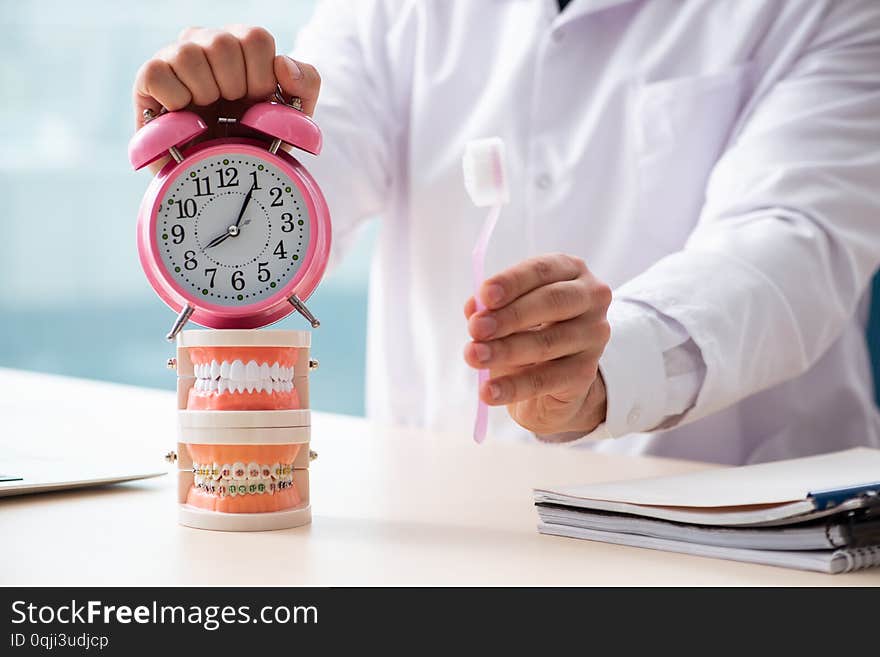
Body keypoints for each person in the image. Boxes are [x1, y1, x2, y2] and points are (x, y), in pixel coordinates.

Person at [133, 1, 880, 464]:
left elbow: (794, 239)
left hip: (742, 532)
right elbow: (325, 159)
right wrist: (224, 150)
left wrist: (607, 365)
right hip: (449, 523)